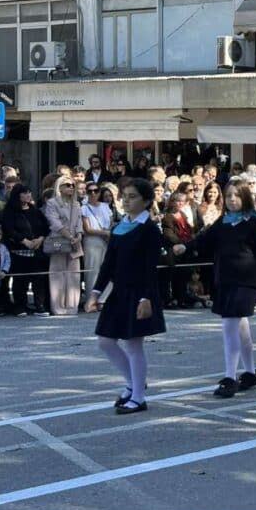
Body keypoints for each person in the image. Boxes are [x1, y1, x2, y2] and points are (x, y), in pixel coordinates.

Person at [172, 179, 256, 398]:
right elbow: (204, 239)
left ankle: (230, 377)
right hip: (225, 279)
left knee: (229, 325)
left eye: (237, 195)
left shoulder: (254, 222)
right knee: (241, 328)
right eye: (229, 195)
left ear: (245, 197)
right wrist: (185, 246)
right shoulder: (223, 222)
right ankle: (250, 372)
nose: (232, 199)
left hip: (246, 282)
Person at [85, 178, 166, 414]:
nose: (126, 201)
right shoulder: (119, 227)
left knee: (133, 344)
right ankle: (133, 381)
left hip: (140, 293)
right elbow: (108, 264)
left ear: (147, 201)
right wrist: (96, 293)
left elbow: (149, 268)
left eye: (133, 197)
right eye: (125, 196)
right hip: (119, 292)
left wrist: (145, 298)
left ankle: (138, 397)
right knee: (105, 341)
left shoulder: (149, 229)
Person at [0, 184, 50, 317]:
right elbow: (9, 230)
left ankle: (39, 305)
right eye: (25, 193)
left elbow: (45, 227)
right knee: (20, 281)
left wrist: (40, 239)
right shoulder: (10, 212)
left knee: (39, 278)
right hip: (19, 251)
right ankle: (19, 306)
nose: (28, 195)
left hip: (36, 250)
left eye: (29, 192)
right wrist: (24, 240)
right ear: (18, 195)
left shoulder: (35, 211)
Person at [43, 176, 84, 316]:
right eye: (67, 185)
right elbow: (54, 222)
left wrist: (78, 235)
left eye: (73, 185)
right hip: (59, 240)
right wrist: (69, 236)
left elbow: (79, 222)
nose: (71, 187)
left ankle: (72, 306)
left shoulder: (77, 204)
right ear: (59, 187)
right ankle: (58, 307)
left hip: (75, 242)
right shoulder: (52, 203)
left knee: (74, 275)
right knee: (57, 274)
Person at [81, 182, 113, 306]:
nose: (93, 193)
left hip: (106, 239)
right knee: (93, 271)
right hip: (92, 240)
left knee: (108, 269)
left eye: (96, 190)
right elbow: (87, 229)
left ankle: (104, 299)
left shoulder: (105, 206)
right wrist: (104, 233)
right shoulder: (84, 208)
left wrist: (107, 233)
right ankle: (91, 300)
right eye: (90, 191)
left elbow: (110, 223)